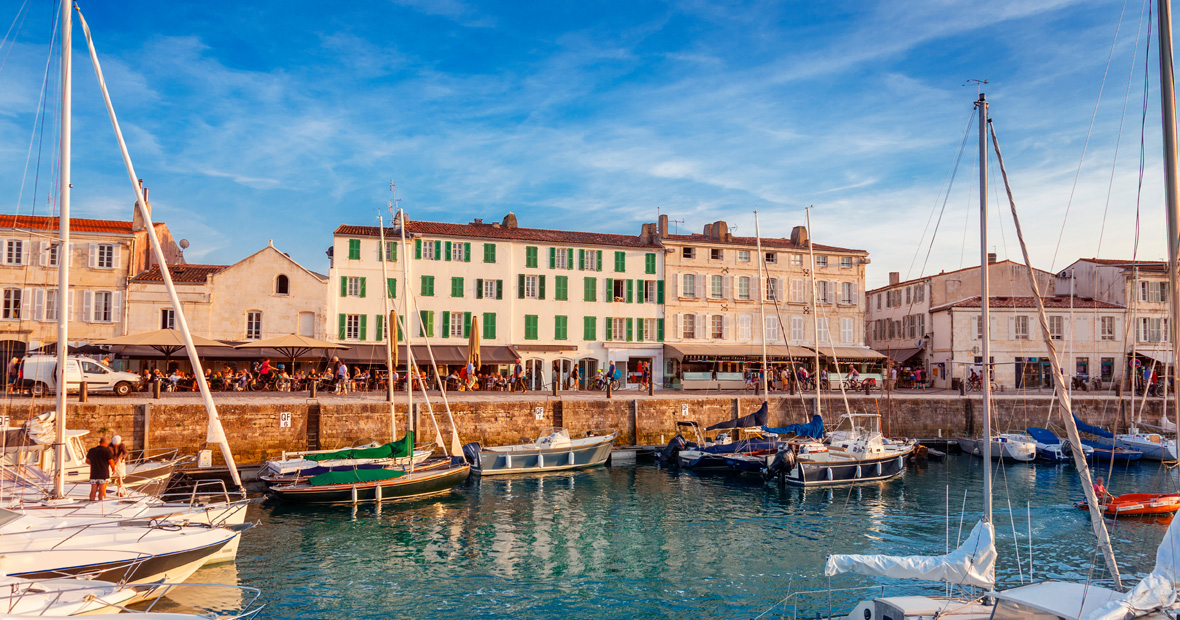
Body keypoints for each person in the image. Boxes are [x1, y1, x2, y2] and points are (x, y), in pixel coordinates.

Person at [85, 437, 115, 501]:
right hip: (103, 473)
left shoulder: (91, 450)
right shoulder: (107, 451)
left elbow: (87, 461)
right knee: (102, 489)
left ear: (100, 442)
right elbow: (111, 462)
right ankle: (101, 503)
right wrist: (113, 469)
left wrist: (94, 463)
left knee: (93, 490)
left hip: (94, 473)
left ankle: (91, 501)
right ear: (106, 443)